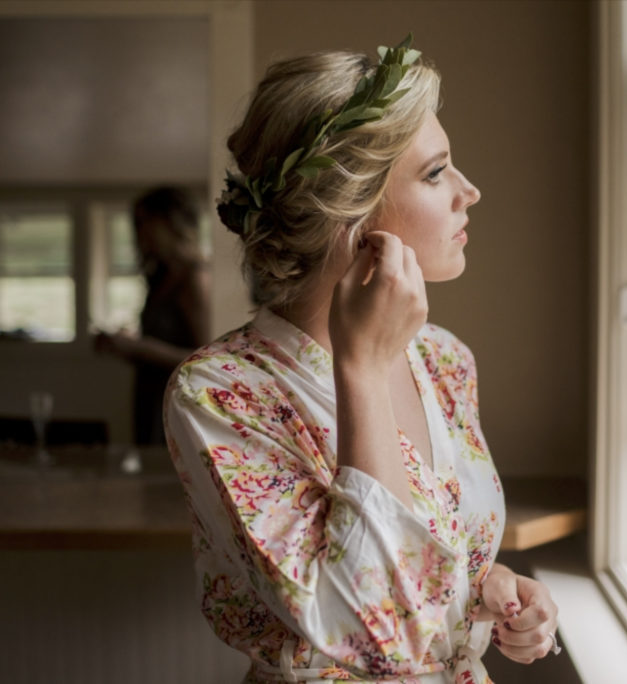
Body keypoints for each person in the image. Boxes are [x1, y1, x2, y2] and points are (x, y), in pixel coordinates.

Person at [163, 37, 560, 683]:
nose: (470, 191)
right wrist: (363, 370)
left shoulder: (443, 360)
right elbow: (372, 630)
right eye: (436, 173)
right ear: (347, 213)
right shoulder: (218, 394)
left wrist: (490, 588)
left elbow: (428, 561)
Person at [95, 186, 210, 445]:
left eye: (146, 221)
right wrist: (125, 347)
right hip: (151, 400)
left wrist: (141, 348)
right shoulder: (160, 277)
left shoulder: (194, 277)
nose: (140, 231)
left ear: (170, 223)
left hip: (179, 404)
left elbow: (205, 358)